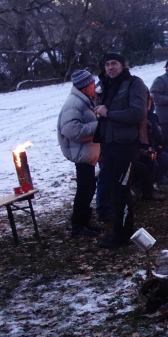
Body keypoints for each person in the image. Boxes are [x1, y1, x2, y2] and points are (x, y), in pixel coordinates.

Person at [93, 52, 149, 249]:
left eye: (114, 63)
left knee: (121, 189)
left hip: (127, 144)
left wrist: (108, 113)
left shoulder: (134, 84)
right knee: (113, 189)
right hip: (109, 145)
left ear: (123, 65)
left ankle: (123, 234)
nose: (110, 68)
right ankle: (119, 230)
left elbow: (138, 113)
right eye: (107, 64)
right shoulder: (106, 86)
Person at [57, 69, 101, 237]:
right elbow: (71, 130)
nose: (94, 86)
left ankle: (84, 222)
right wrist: (98, 126)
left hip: (87, 153)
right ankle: (78, 226)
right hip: (81, 154)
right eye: (92, 84)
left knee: (89, 188)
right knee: (84, 189)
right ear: (84, 87)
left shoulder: (84, 100)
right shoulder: (74, 103)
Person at [133, 97, 168, 200]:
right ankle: (142, 187)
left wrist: (158, 146)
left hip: (154, 148)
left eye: (149, 101)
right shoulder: (137, 118)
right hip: (139, 150)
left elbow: (158, 135)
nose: (148, 104)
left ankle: (152, 184)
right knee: (149, 163)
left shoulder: (153, 117)